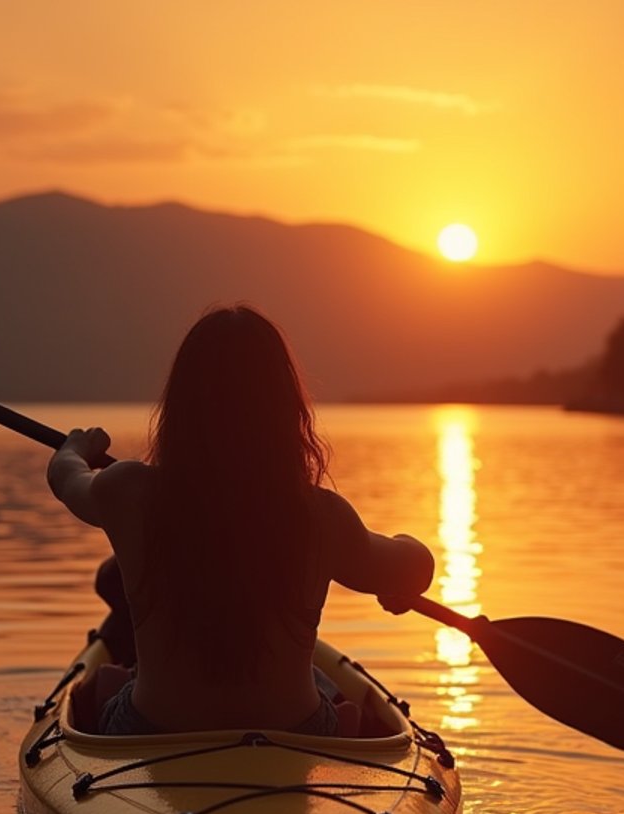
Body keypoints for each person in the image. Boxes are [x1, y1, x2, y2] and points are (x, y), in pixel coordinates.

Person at [46, 306, 434, 735]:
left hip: (153, 729)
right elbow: (418, 567)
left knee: (105, 687)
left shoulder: (128, 491)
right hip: (297, 732)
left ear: (181, 405)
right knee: (329, 696)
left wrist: (76, 446)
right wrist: (394, 575)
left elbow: (66, 478)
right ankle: (345, 719)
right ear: (286, 412)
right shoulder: (321, 517)